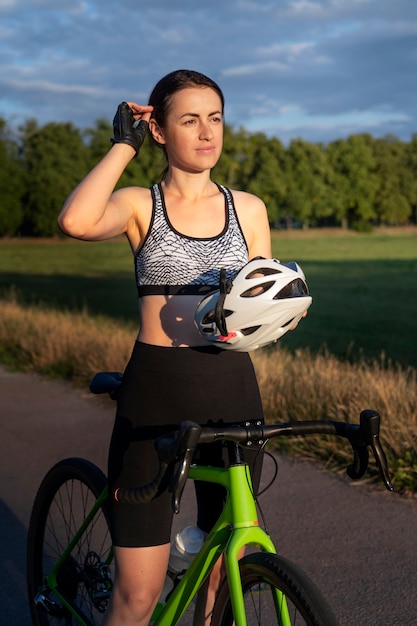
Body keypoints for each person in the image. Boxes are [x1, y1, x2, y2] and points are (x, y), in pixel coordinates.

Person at [58, 69, 272, 626]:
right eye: (190, 119)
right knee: (138, 595)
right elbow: (76, 221)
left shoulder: (248, 209)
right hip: (155, 394)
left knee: (226, 571)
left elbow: (258, 302)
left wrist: (280, 313)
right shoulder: (138, 204)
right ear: (161, 131)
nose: (207, 133)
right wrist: (122, 146)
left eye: (216, 118)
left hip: (232, 390)